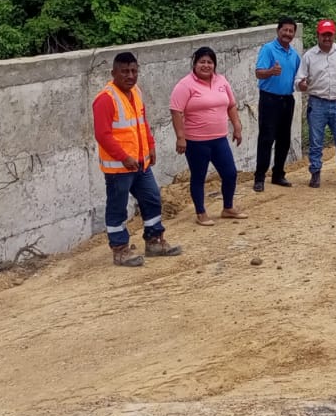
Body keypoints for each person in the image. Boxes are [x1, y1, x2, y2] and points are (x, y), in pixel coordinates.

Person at [92, 51, 182, 267]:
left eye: (134, 71)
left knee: (152, 198)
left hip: (141, 163)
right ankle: (120, 249)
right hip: (119, 168)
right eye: (125, 71)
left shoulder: (136, 92)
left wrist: (151, 146)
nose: (130, 76)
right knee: (118, 208)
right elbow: (102, 135)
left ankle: (154, 240)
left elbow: (142, 123)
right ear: (113, 73)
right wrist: (123, 157)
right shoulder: (105, 99)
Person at [170, 46, 247, 226]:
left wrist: (237, 126)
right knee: (199, 177)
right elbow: (176, 111)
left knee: (230, 173)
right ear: (194, 64)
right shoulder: (185, 85)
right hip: (196, 142)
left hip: (219, 139)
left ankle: (228, 207)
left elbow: (231, 105)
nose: (206, 65)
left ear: (214, 65)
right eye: (202, 62)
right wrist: (180, 137)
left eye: (210, 62)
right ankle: (201, 212)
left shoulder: (221, 81)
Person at [294, 18, 336, 188]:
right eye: (324, 35)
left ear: (334, 35)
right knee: (316, 142)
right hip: (317, 104)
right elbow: (299, 80)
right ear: (318, 35)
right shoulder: (309, 56)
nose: (327, 38)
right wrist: (302, 84)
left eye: (330, 35)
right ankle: (315, 173)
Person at [252, 17, 300, 193]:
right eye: (284, 30)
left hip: (287, 100)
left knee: (284, 139)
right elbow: (258, 73)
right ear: (278, 31)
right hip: (270, 99)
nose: (287, 33)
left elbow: (299, 77)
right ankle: (259, 178)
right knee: (266, 139)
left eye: (291, 31)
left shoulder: (294, 54)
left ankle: (278, 174)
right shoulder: (268, 49)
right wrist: (271, 71)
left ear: (294, 34)